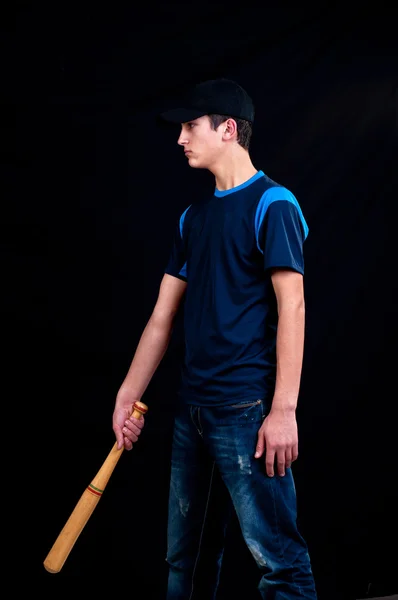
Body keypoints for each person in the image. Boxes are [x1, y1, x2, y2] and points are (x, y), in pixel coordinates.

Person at [112, 78, 317, 599]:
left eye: (190, 126)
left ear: (228, 129)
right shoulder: (193, 218)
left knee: (281, 565)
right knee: (185, 564)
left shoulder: (274, 205)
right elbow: (163, 316)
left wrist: (284, 410)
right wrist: (127, 395)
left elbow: (292, 306)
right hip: (192, 413)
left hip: (247, 411)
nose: (181, 139)